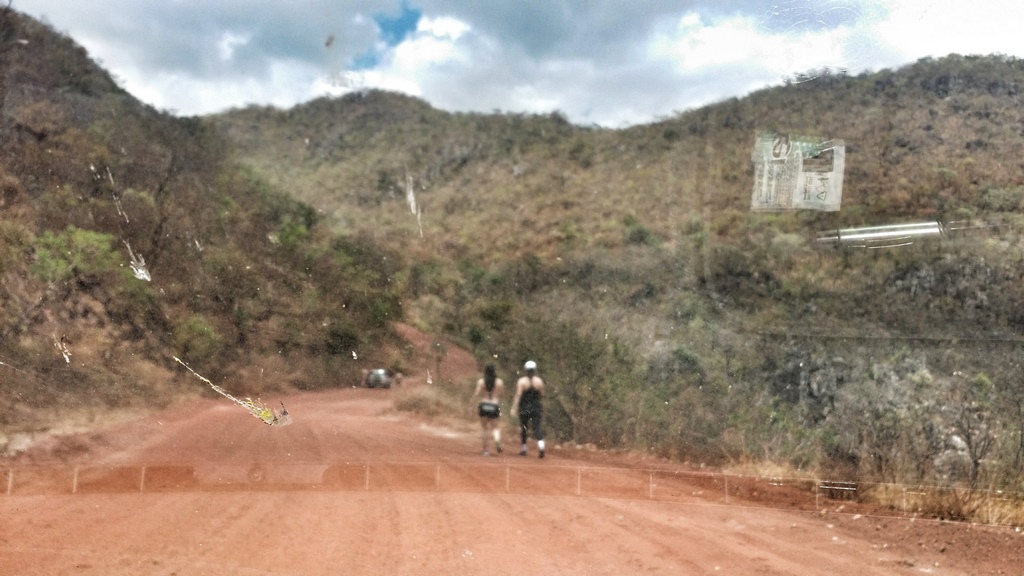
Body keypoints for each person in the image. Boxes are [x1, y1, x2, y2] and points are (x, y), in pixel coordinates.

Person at [511, 360, 545, 458]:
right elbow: (542, 394)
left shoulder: (522, 381)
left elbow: (518, 395)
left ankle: (524, 449)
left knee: (524, 428)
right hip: (536, 406)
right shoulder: (539, 381)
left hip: (524, 407)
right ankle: (541, 446)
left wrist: (514, 407)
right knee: (537, 427)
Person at [473, 364, 504, 455]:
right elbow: (501, 394)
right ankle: (497, 440)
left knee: (485, 429)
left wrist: (472, 403)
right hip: (494, 405)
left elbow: (477, 393)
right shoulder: (499, 382)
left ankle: (485, 450)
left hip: (484, 405)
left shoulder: (481, 382)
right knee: (495, 427)